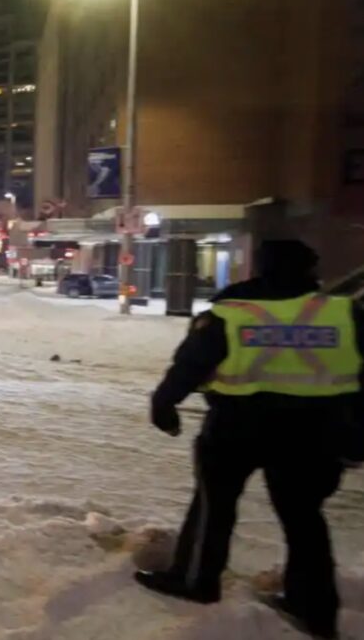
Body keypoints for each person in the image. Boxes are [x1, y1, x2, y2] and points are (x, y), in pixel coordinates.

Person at [135, 240, 364, 639]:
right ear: (311, 269)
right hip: (315, 431)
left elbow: (191, 364)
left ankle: (196, 581)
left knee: (214, 506)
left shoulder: (232, 312)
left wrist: (164, 404)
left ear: (260, 267)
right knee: (305, 520)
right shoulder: (343, 313)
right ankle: (313, 608)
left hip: (237, 425)